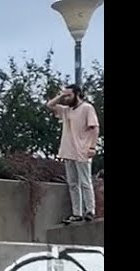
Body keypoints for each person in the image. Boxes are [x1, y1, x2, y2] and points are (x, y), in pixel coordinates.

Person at [45, 84, 100, 224]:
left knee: (85, 182)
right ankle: (77, 212)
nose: (67, 98)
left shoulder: (87, 108)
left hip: (82, 151)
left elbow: (94, 128)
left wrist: (92, 147)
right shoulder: (66, 111)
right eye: (65, 96)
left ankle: (90, 210)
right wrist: (61, 95)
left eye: (69, 95)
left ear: (77, 94)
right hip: (68, 151)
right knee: (73, 183)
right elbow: (50, 105)